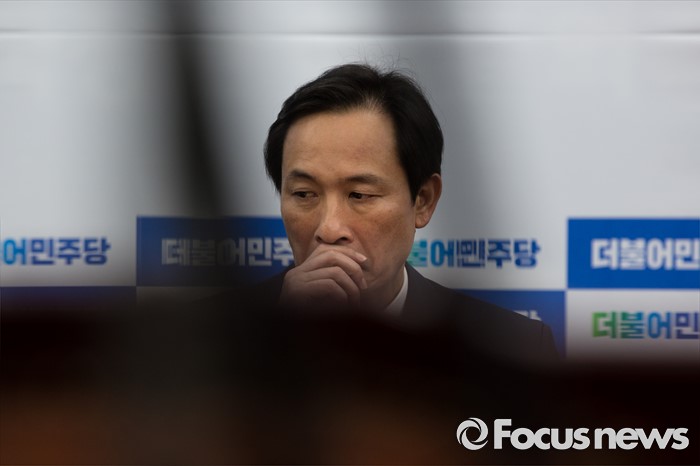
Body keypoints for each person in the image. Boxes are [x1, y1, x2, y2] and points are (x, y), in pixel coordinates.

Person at [233, 63, 558, 364]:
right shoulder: (216, 341)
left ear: (423, 201)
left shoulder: (512, 350)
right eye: (304, 194)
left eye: (359, 195)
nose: (329, 229)